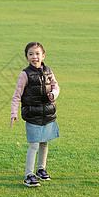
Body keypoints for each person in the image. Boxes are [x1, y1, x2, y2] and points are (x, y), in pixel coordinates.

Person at [10, 42, 60, 187]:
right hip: (32, 115)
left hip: (48, 114)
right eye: (31, 54)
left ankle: (41, 169)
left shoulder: (49, 71)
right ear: (26, 57)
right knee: (34, 145)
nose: (34, 57)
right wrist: (14, 112)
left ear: (43, 55)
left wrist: (53, 94)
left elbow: (56, 86)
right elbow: (17, 95)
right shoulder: (25, 74)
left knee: (45, 142)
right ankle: (28, 175)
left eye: (37, 54)